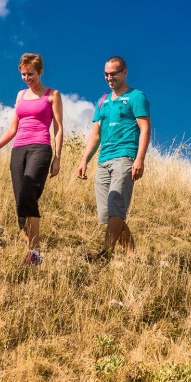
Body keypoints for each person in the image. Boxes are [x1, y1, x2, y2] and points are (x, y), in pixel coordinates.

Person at [0, 53, 63, 265]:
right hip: (18, 149)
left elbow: (57, 128)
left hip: (40, 147)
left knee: (28, 195)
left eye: (31, 74)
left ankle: (35, 252)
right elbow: (13, 128)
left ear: (40, 72)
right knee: (20, 204)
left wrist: (57, 158)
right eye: (23, 74)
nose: (27, 78)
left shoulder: (52, 95)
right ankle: (32, 252)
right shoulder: (20, 95)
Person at [76, 56, 150, 260]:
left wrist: (139, 159)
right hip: (103, 160)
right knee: (107, 214)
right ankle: (132, 255)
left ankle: (105, 254)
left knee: (117, 207)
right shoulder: (102, 101)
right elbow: (96, 135)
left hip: (124, 157)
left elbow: (145, 129)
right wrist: (84, 160)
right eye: (106, 74)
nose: (109, 78)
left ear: (124, 72)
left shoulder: (136, 97)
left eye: (114, 73)